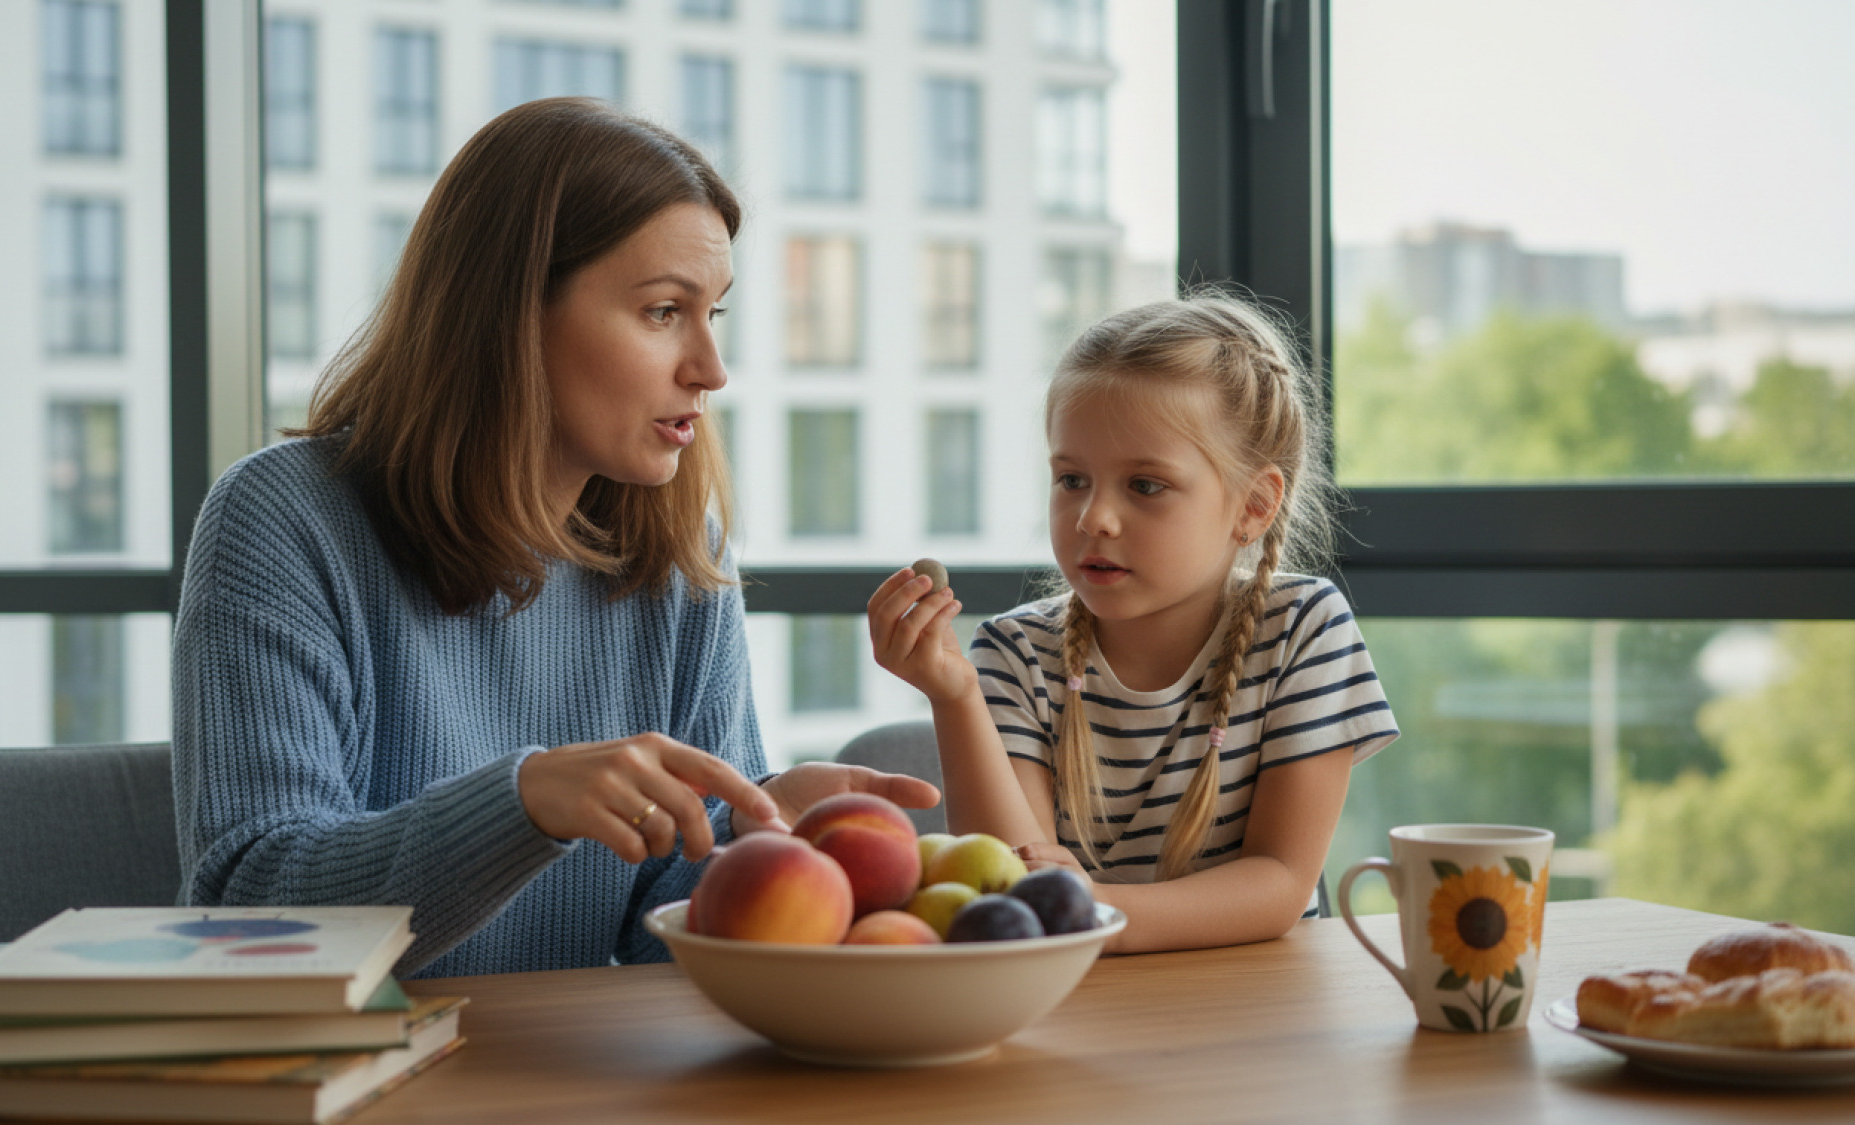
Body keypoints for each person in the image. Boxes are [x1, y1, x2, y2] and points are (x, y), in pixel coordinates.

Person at [173, 98, 936, 979]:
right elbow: (251, 905)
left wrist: (746, 842)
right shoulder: (281, 522)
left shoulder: (681, 552)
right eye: (661, 312)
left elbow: (655, 925)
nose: (710, 369)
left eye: (713, 313)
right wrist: (524, 803)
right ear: (511, 313)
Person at [867, 292, 1397, 954]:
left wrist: (1093, 908)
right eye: (1071, 479)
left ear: (1253, 507)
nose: (1094, 518)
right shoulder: (1014, 652)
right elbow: (1010, 889)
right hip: (1079, 1010)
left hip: (1262, 1014)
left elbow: (1280, 882)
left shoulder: (1303, 630)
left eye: (1145, 485)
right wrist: (956, 694)